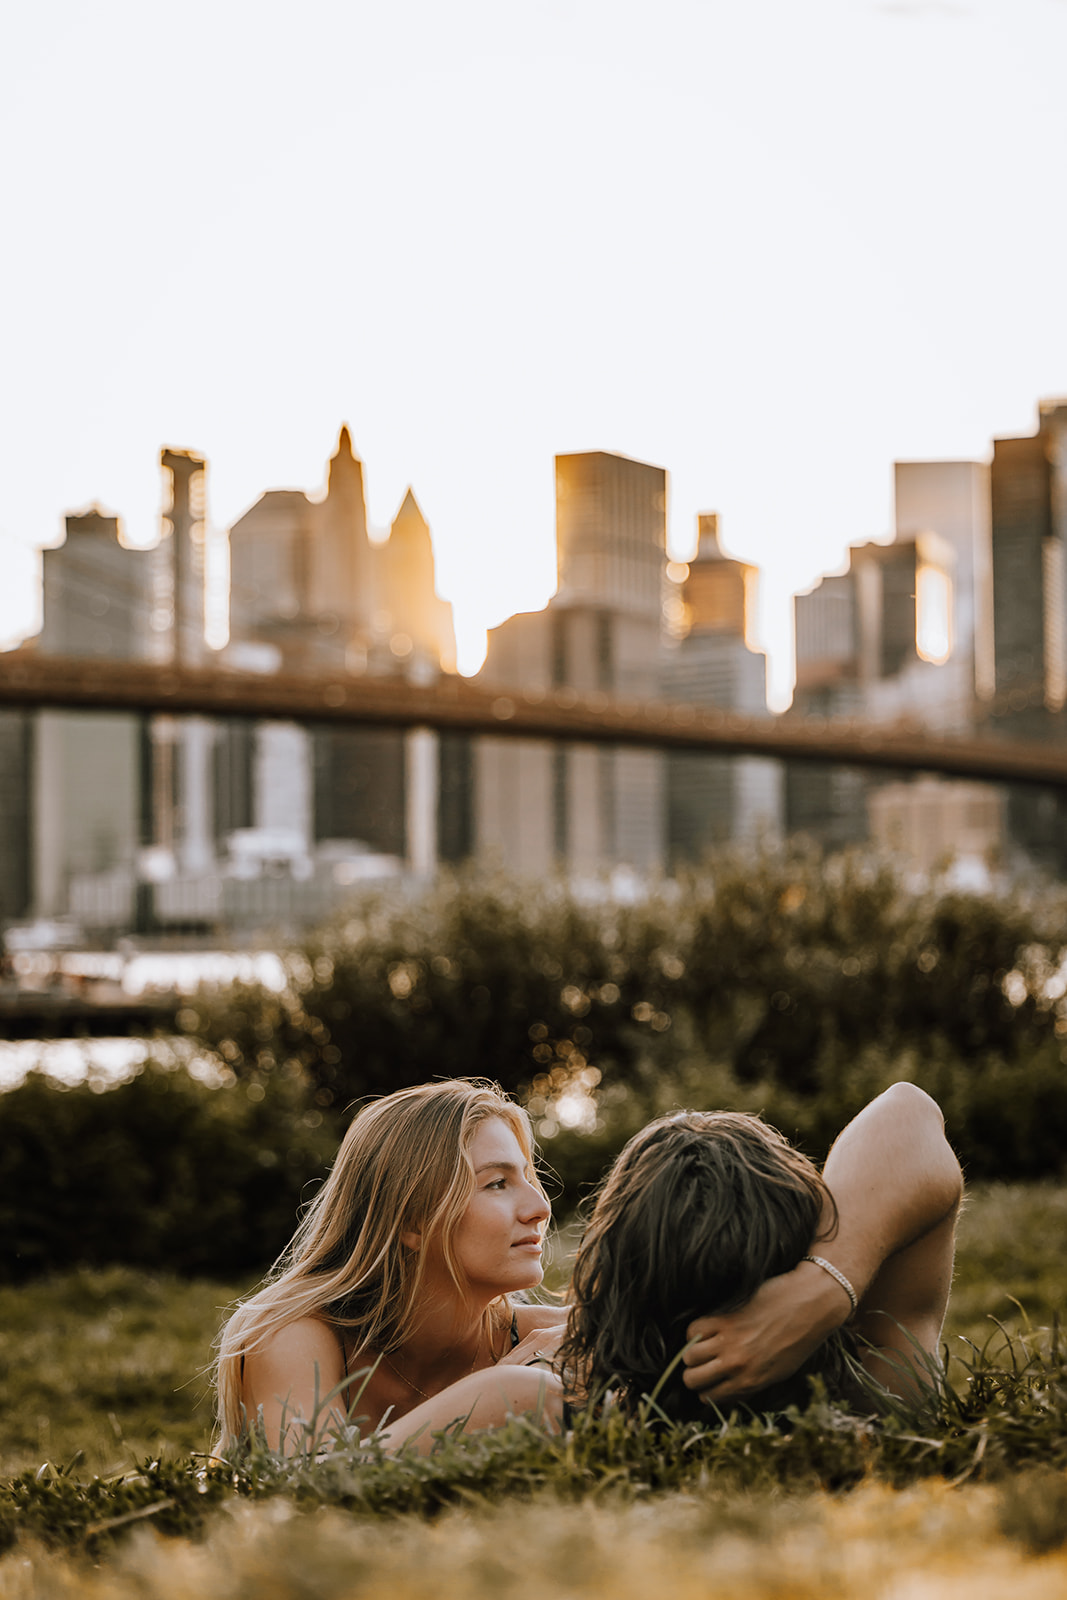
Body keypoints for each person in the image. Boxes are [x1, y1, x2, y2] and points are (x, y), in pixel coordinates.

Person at [557, 1081, 962, 1417]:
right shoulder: (874, 1391)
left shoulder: (582, 1414)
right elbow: (908, 1109)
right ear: (805, 1238)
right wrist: (827, 1281)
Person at [215, 1079, 566, 1455]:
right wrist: (502, 1395)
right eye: (497, 1183)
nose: (540, 1208)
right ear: (412, 1221)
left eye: (529, 1178)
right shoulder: (293, 1338)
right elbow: (308, 1490)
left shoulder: (544, 1339)